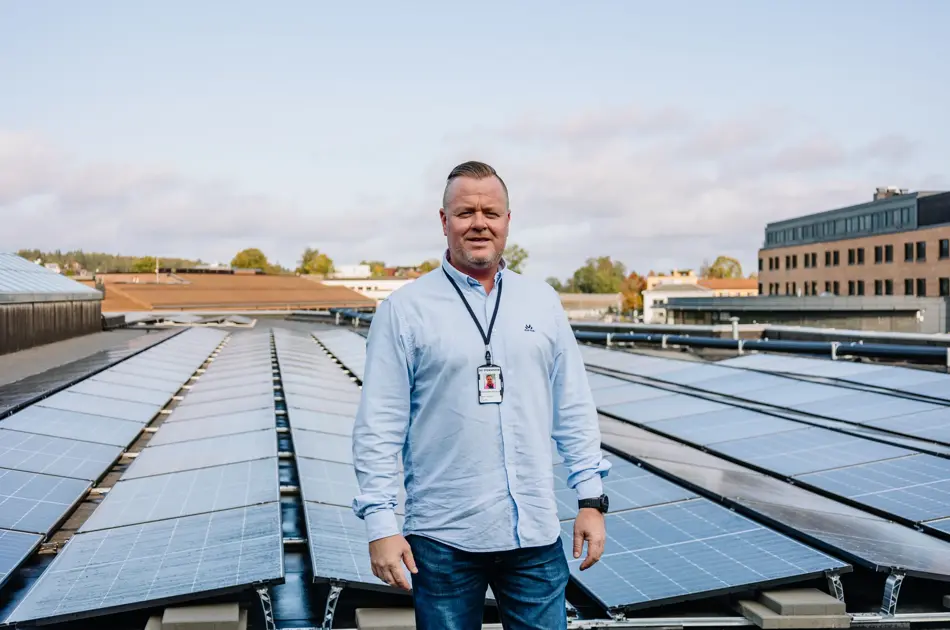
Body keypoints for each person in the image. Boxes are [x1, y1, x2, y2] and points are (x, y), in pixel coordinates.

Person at [351, 160, 610, 630]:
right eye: (465, 212)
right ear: (444, 220)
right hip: (443, 539)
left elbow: (573, 408)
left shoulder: (542, 302)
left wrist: (590, 499)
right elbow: (378, 426)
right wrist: (381, 525)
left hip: (534, 534)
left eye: (490, 212)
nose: (479, 223)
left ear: (508, 220)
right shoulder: (405, 311)